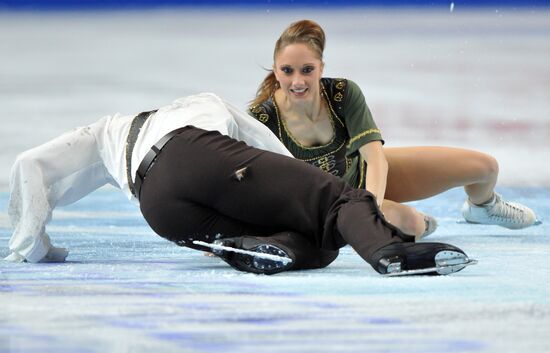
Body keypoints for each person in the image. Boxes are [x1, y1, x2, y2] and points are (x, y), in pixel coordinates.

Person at [5, 92, 474, 276]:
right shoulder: (206, 102)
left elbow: (32, 165)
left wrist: (35, 244)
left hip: (161, 211)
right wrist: (335, 197)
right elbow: (272, 153)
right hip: (195, 154)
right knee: (336, 204)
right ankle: (388, 254)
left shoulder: (103, 133)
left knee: (319, 246)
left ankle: (265, 249)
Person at [248, 19, 537, 238]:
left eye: (306, 70)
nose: (297, 81)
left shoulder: (342, 93)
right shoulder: (261, 119)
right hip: (324, 207)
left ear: (321, 67)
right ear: (276, 70)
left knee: (485, 167)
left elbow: (375, 160)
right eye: (287, 71)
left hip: (365, 180)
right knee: (411, 225)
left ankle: (481, 208)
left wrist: (369, 207)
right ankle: (414, 223)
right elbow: (245, 183)